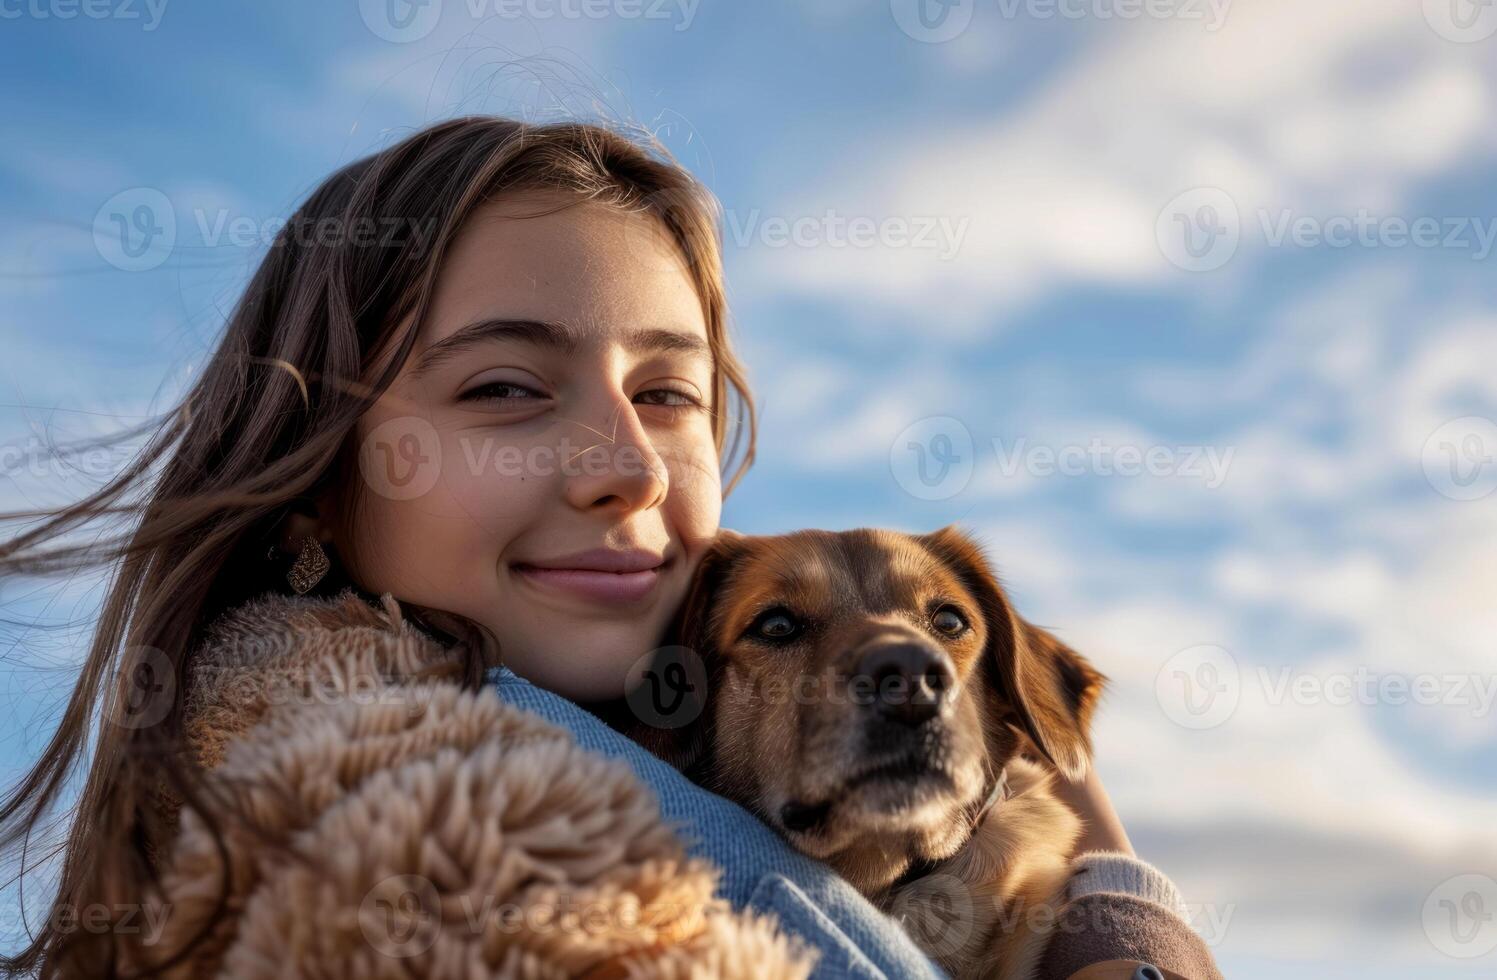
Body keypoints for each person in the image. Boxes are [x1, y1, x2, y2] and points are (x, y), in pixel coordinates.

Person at [0, 116, 1223, 979]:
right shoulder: (427, 898)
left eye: (667, 393)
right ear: (318, 486)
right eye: (501, 388)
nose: (628, 464)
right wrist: (1120, 903)